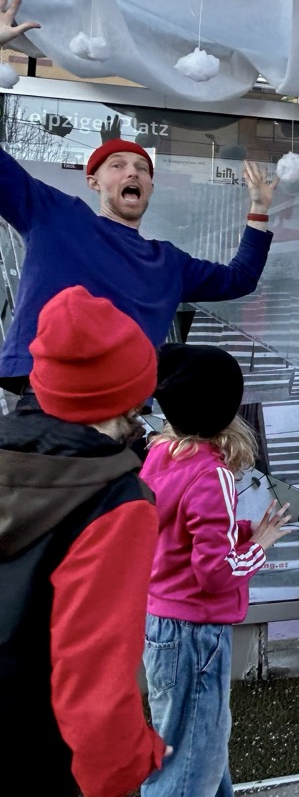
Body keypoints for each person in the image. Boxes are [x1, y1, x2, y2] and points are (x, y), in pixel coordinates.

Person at [0, 0, 277, 398]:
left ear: (149, 186)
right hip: (50, 398)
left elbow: (239, 279)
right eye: (117, 165)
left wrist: (258, 209)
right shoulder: (56, 216)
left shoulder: (168, 263)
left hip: (125, 409)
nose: (133, 172)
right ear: (93, 181)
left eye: (142, 169)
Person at [0, 286, 167, 796]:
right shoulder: (116, 502)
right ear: (127, 397)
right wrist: (128, 763)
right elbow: (93, 677)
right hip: (42, 753)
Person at [140, 344, 292, 796]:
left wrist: (240, 530)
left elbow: (178, 533)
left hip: (163, 623)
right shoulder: (214, 473)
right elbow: (216, 574)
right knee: (191, 767)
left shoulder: (162, 454)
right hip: (196, 633)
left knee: (193, 748)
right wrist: (258, 546)